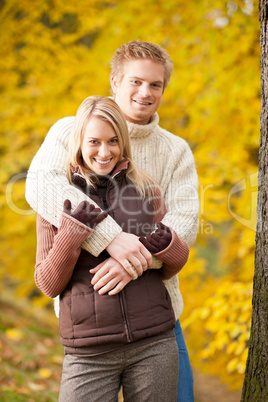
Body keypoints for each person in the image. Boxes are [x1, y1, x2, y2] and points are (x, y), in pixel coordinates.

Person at [26, 41, 199, 401]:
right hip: (89, 320)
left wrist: (132, 263)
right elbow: (42, 186)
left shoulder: (175, 150)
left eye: (156, 85)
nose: (145, 92)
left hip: (156, 313)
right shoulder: (69, 130)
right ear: (114, 82)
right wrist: (111, 238)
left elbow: (184, 222)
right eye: (136, 81)